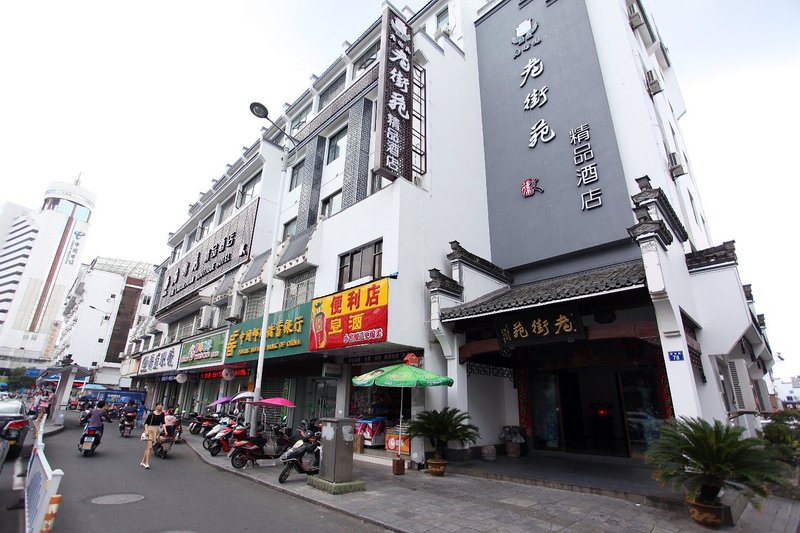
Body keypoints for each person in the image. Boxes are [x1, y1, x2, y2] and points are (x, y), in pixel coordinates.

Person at [140, 403, 165, 469]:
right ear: (156, 406)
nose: (160, 406)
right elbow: (146, 423)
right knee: (150, 447)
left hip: (157, 431)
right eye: (159, 405)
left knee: (148, 447)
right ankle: (147, 463)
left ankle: (143, 461)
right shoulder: (151, 414)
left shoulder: (162, 414)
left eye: (161, 405)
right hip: (150, 430)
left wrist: (165, 431)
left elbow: (163, 423)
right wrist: (146, 430)